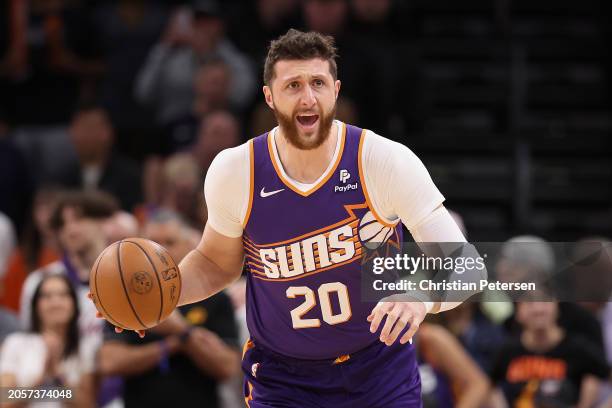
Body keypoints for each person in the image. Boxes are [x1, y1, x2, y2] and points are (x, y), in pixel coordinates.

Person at [100, 29, 480, 407]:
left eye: (318, 83)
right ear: (270, 96)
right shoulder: (237, 171)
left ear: (335, 90)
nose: (308, 97)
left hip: (377, 369)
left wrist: (419, 297)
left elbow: (466, 267)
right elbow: (216, 263)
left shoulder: (382, 161)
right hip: (284, 380)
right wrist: (156, 298)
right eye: (293, 85)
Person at [98, 210, 240, 408]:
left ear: (189, 246)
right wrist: (172, 344)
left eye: (170, 242)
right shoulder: (126, 297)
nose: (160, 251)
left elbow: (227, 367)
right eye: (153, 243)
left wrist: (180, 329)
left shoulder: (216, 297)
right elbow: (110, 363)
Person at [20, 190, 119, 350]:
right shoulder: (39, 282)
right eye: (62, 224)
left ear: (103, 222)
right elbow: (30, 345)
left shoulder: (126, 276)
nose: (70, 229)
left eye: (79, 219)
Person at [490, 298, 611, 408]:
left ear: (557, 307)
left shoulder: (577, 348)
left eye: (545, 301)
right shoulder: (508, 351)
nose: (538, 309)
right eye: (529, 303)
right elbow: (487, 385)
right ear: (518, 312)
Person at [1, 274, 96, 407]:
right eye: (47, 296)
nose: (56, 302)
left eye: (63, 295)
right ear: (35, 305)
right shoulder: (16, 343)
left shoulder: (84, 347)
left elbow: (87, 404)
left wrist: (58, 376)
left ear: (74, 303)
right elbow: (4, 400)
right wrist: (41, 378)